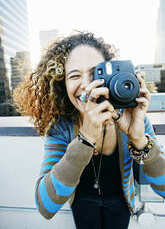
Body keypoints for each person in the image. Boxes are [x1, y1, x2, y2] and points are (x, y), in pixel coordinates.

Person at [14, 32, 165, 229]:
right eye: (74, 76)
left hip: (121, 201)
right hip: (82, 203)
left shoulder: (133, 119)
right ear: (63, 83)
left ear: (112, 76)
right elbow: (45, 205)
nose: (86, 85)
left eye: (95, 73)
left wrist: (139, 139)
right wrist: (84, 139)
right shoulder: (62, 126)